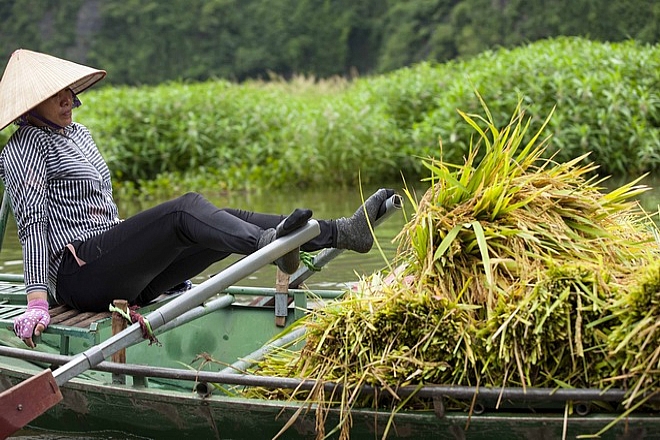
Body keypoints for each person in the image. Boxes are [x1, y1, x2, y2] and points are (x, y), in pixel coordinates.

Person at [0, 49, 396, 348]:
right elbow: (32, 222)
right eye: (55, 95)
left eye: (67, 90)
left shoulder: (80, 135)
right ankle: (270, 244)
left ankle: (341, 232)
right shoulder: (24, 147)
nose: (67, 97)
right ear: (31, 106)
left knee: (219, 219)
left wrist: (154, 264)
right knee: (185, 211)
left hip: (114, 270)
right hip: (77, 276)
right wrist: (37, 299)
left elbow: (105, 209)